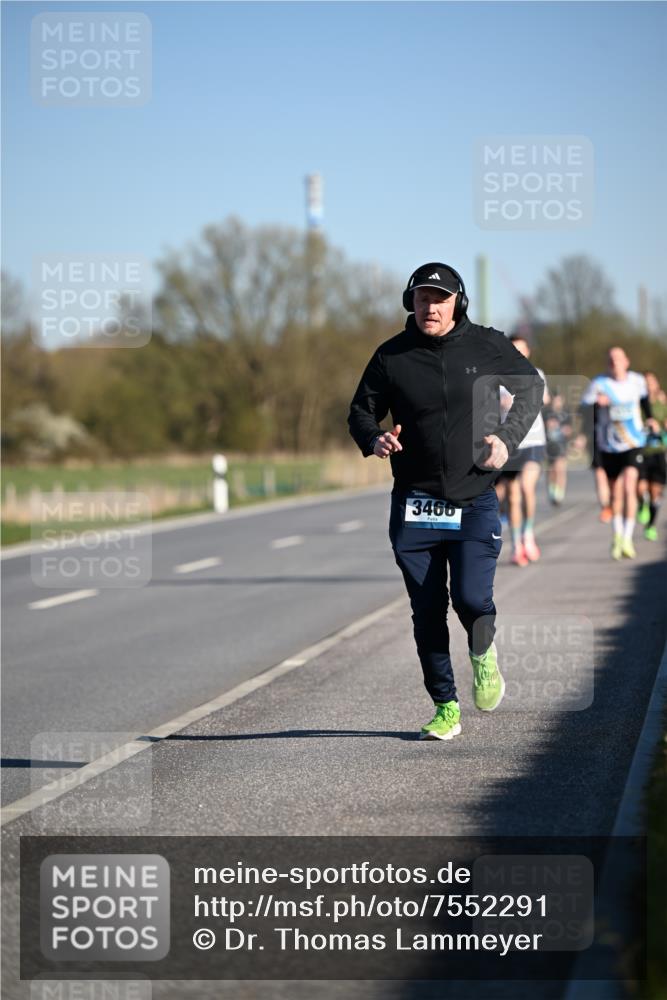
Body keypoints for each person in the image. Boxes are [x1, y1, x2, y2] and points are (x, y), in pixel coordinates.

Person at [348, 262, 544, 741]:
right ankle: (445, 706)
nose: (428, 307)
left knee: (472, 597)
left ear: (457, 302)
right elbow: (361, 411)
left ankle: (482, 654)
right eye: (420, 299)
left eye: (438, 298)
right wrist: (375, 439)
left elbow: (530, 387)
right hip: (415, 502)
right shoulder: (391, 356)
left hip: (474, 495)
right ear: (409, 304)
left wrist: (506, 438)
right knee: (427, 608)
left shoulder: (486, 344)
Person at [580, 347, 658, 559]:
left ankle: (628, 538)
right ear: (607, 363)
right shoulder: (598, 384)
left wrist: (650, 418)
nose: (615, 363)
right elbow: (583, 411)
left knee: (629, 485)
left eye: (618, 359)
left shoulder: (637, 381)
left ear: (627, 361)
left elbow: (644, 402)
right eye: (611, 359)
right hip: (608, 445)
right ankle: (617, 536)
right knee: (616, 494)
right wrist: (598, 404)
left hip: (634, 442)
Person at [495, 336, 549, 566]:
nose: (518, 353)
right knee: (513, 496)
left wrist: (523, 400)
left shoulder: (536, 373)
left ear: (528, 352)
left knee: (527, 487)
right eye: (514, 349)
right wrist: (499, 404)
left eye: (522, 349)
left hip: (534, 440)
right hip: (509, 443)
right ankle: (517, 545)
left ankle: (528, 535)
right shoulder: (496, 377)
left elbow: (543, 398)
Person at [637, 371, 667, 541]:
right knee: (640, 489)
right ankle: (642, 504)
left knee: (656, 492)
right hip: (642, 452)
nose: (648, 385)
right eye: (645, 383)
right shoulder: (637, 404)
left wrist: (662, 427)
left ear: (656, 384)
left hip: (658, 452)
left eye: (651, 382)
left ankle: (651, 526)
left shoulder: (662, 405)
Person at [543, 391, 573, 505]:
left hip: (562, 444)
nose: (557, 403)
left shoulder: (566, 413)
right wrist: (548, 425)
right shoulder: (546, 413)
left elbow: (569, 430)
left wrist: (566, 431)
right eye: (556, 400)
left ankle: (559, 494)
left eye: (559, 400)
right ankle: (551, 490)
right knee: (551, 469)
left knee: (560, 468)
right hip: (550, 445)